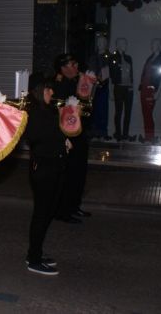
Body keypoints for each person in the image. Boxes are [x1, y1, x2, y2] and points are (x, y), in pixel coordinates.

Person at [25, 74, 71, 276]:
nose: (52, 92)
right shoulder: (33, 112)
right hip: (43, 168)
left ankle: (35, 253)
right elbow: (38, 138)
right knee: (41, 214)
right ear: (38, 90)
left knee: (47, 212)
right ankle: (33, 259)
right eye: (48, 89)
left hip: (54, 166)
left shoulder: (48, 110)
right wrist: (61, 139)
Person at [53, 53, 91, 224]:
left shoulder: (76, 81)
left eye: (76, 64)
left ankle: (74, 206)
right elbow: (59, 112)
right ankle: (63, 210)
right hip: (67, 136)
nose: (76, 67)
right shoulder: (58, 85)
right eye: (72, 64)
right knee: (69, 174)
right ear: (63, 68)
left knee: (79, 173)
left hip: (80, 134)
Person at [138, 38, 161, 143]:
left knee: (148, 113)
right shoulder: (150, 58)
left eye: (154, 44)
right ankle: (148, 136)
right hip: (144, 88)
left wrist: (158, 93)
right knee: (145, 113)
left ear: (159, 45)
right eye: (151, 43)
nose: (152, 45)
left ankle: (150, 137)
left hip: (152, 89)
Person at [109, 38, 134, 141]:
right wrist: (111, 91)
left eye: (125, 43)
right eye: (123, 43)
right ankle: (118, 133)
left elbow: (131, 73)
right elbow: (110, 75)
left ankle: (125, 134)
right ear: (118, 45)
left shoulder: (129, 58)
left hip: (128, 88)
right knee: (118, 111)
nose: (125, 45)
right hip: (118, 87)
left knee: (128, 112)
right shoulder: (113, 58)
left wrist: (132, 86)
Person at [87, 34, 111, 140]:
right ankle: (93, 131)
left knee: (103, 109)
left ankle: (102, 131)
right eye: (99, 42)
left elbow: (109, 71)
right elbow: (90, 70)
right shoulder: (93, 57)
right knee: (93, 108)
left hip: (103, 86)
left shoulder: (108, 57)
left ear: (106, 44)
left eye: (102, 42)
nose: (100, 44)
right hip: (93, 86)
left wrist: (102, 78)